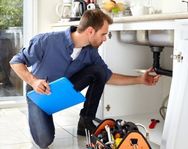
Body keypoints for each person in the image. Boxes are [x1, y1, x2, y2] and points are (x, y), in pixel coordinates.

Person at [9, 9, 160, 148]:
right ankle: (40, 115)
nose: (105, 38)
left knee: (99, 70)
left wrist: (140, 79)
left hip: (64, 89)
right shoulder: (46, 41)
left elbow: (107, 76)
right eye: (103, 34)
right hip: (40, 93)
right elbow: (16, 61)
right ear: (90, 31)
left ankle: (85, 121)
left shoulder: (91, 53)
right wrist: (34, 81)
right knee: (44, 141)